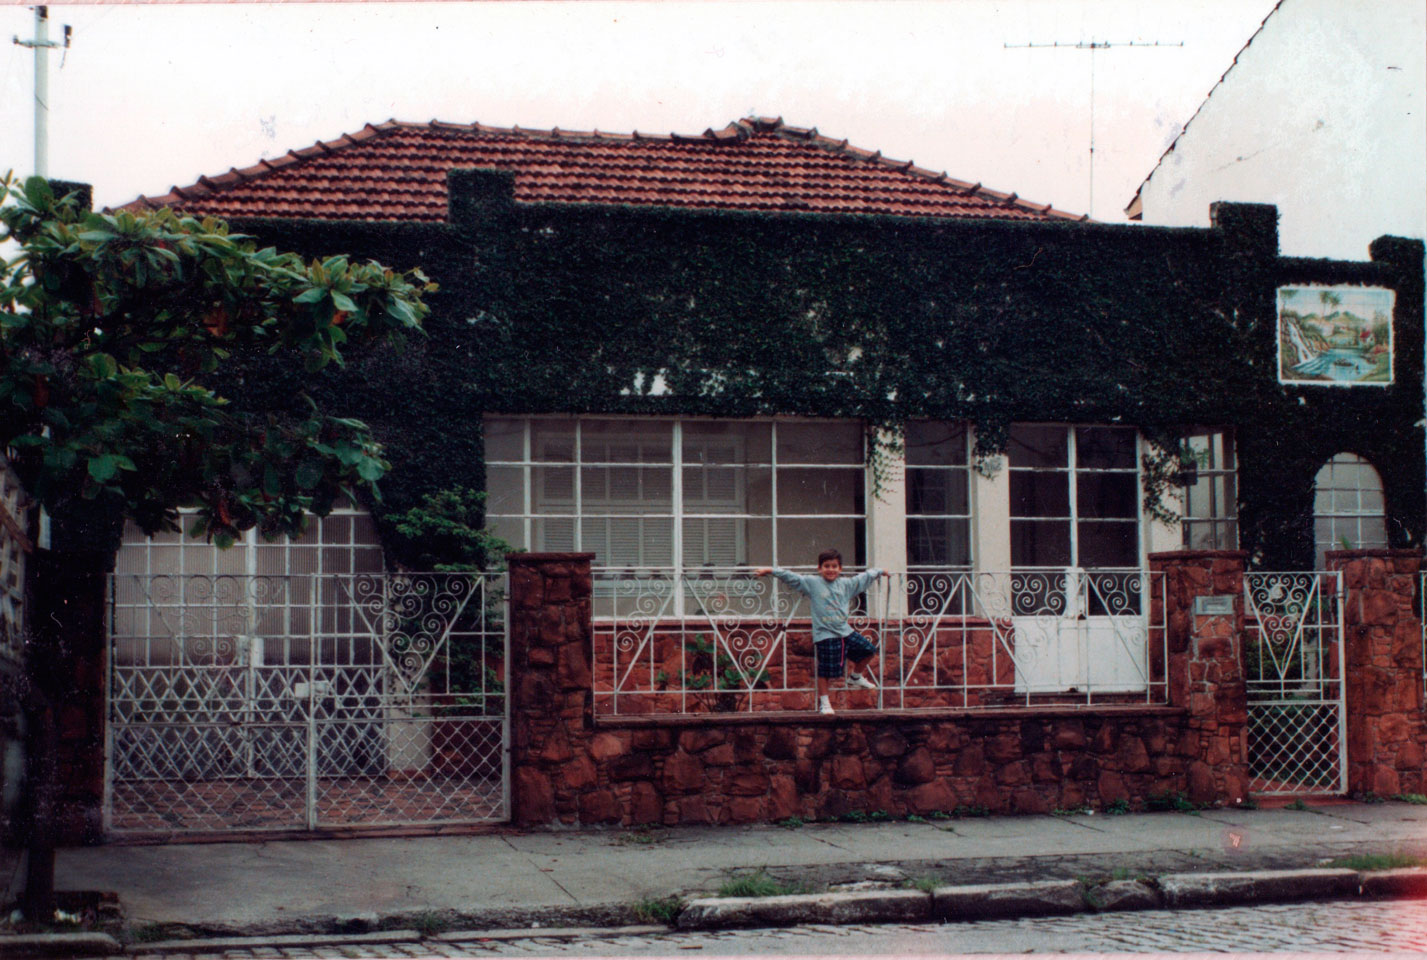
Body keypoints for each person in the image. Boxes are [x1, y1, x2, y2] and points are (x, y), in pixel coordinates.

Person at [754, 549, 886, 715]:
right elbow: (791, 577)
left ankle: (855, 677)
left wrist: (879, 571)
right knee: (826, 671)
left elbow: (863, 578)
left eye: (834, 566)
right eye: (827, 566)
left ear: (840, 568)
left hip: (845, 631)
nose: (830, 569)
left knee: (869, 650)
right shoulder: (813, 583)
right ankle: (825, 703)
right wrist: (771, 570)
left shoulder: (846, 584)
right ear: (819, 568)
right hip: (825, 634)